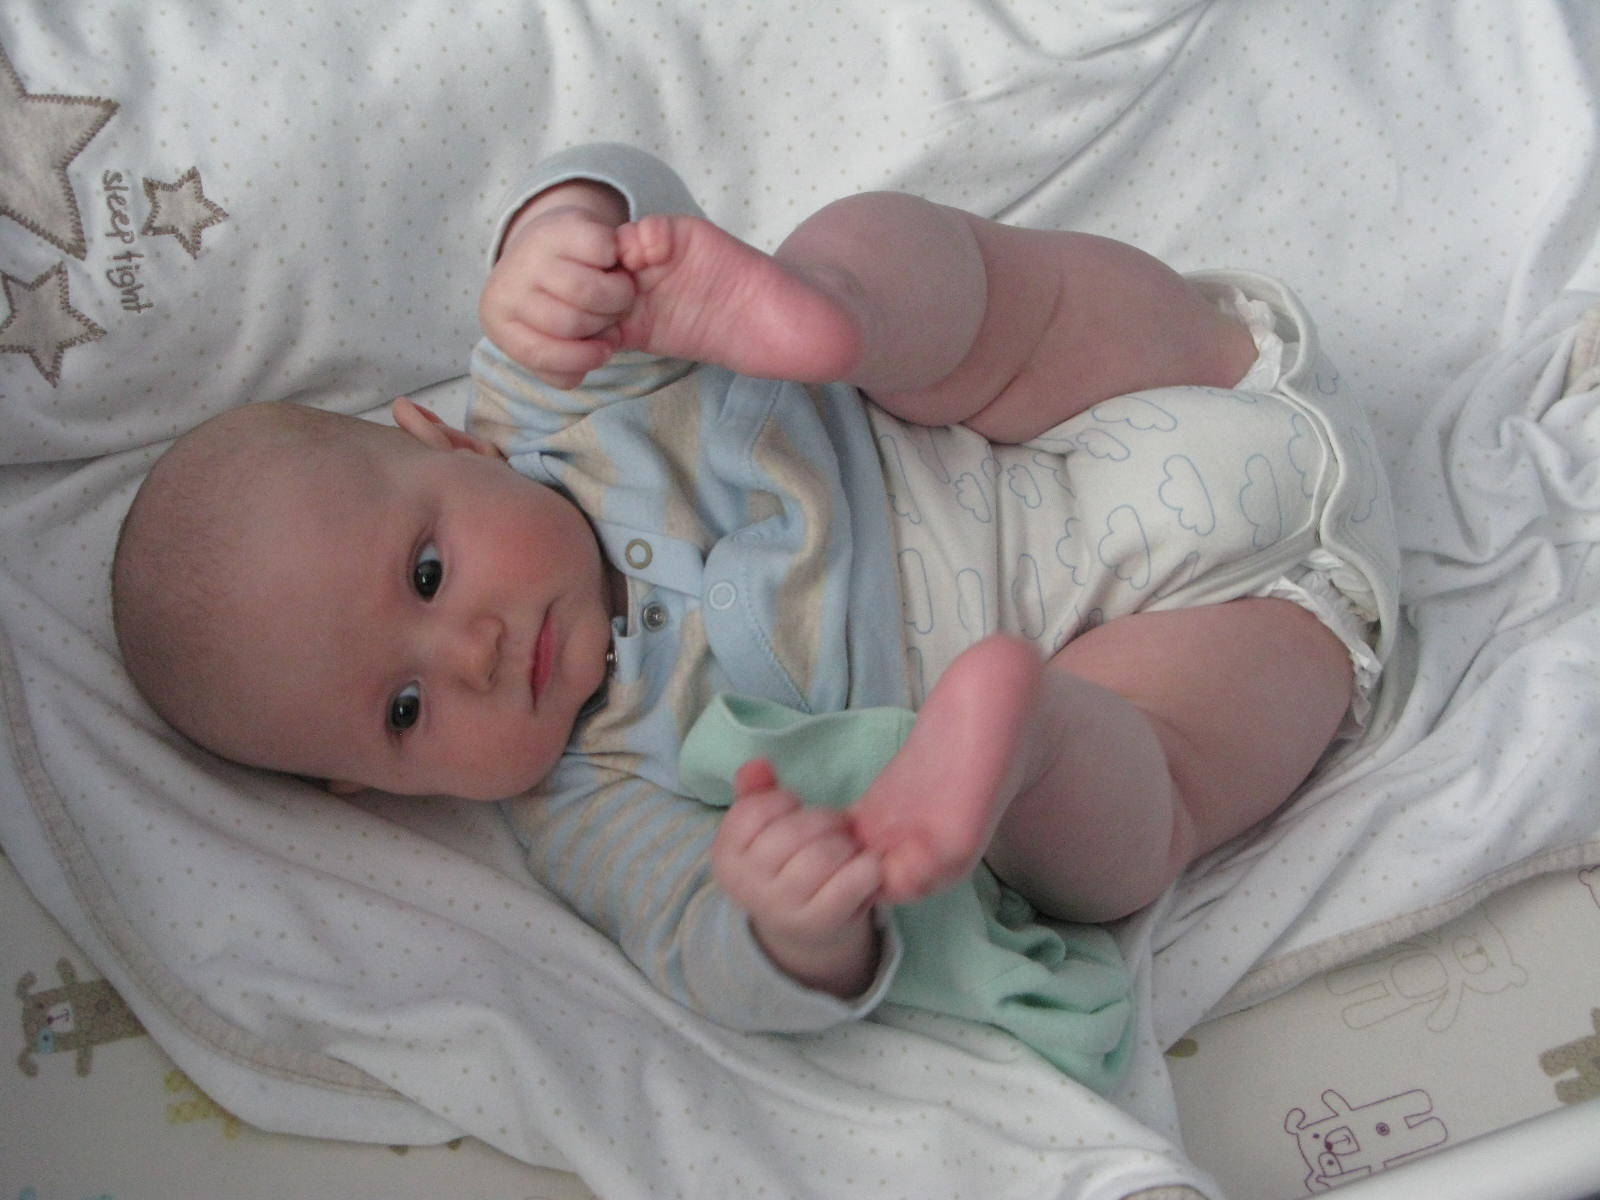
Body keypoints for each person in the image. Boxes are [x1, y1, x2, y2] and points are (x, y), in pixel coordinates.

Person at [113, 144, 1397, 1058]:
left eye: (428, 574)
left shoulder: (557, 397)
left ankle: (833, 310)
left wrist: (563, 241)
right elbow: (698, 942)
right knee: (1126, 826)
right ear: (373, 792)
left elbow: (622, 192)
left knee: (902, 268)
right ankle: (1026, 734)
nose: (473, 653)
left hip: (1119, 388)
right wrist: (789, 927)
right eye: (403, 710)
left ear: (442, 444)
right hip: (1241, 621)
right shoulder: (595, 802)